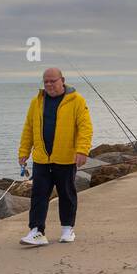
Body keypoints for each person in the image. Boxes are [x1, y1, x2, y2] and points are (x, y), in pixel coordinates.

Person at [18, 67, 94, 246]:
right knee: (39, 194)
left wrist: (82, 150)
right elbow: (28, 128)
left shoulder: (76, 100)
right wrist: (23, 152)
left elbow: (85, 127)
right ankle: (37, 231)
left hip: (65, 157)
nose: (49, 84)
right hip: (42, 158)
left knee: (66, 193)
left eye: (53, 81)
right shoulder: (36, 102)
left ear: (62, 80)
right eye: (46, 82)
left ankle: (68, 229)